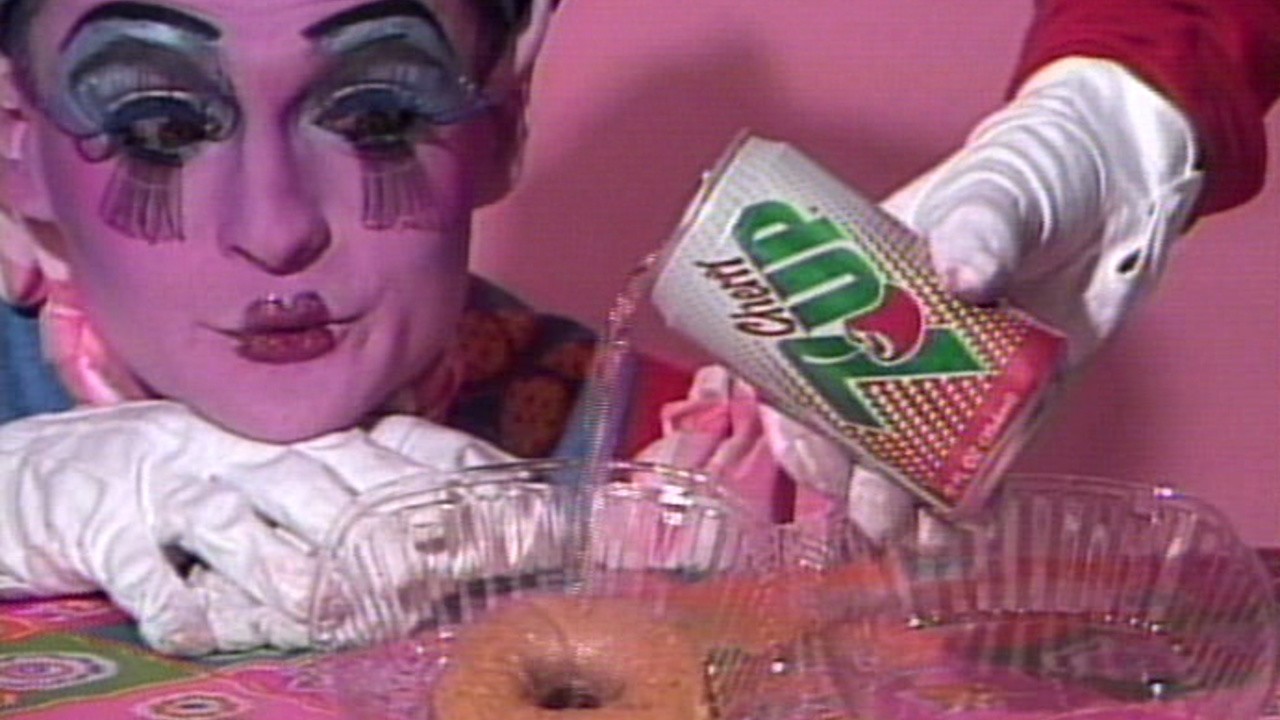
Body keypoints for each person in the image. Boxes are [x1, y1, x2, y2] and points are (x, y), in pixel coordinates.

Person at [0, 0, 1276, 655]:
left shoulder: (692, 467)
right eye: (158, 128)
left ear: (501, 123)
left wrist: (1126, 108)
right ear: (16, 144)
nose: (276, 229)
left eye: (378, 116)